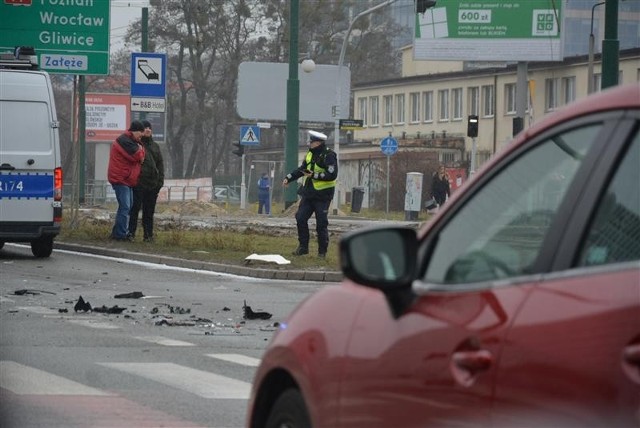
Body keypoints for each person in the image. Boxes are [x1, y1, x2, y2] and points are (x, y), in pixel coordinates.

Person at [283, 130, 338, 258]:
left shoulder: (329, 155)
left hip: (323, 196)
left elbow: (332, 175)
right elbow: (302, 170)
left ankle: (322, 252)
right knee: (300, 218)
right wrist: (288, 178)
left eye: (311, 142)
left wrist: (315, 175)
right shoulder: (309, 154)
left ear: (318, 143)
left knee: (321, 223)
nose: (309, 144)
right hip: (308, 194)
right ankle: (303, 247)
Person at [108, 120, 146, 241]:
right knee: (125, 206)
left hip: (127, 179)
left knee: (126, 207)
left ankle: (117, 232)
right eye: (141, 133)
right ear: (135, 131)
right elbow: (139, 156)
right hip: (120, 178)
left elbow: (142, 154)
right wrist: (140, 151)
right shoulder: (124, 141)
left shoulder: (132, 141)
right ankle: (120, 234)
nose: (141, 136)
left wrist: (140, 151)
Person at [128, 120, 165, 242]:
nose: (148, 130)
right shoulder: (135, 145)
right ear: (140, 131)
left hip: (152, 185)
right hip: (138, 184)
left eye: (150, 128)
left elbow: (160, 165)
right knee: (134, 209)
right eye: (145, 128)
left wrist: (159, 183)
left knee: (149, 212)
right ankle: (130, 233)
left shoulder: (155, 146)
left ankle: (148, 235)